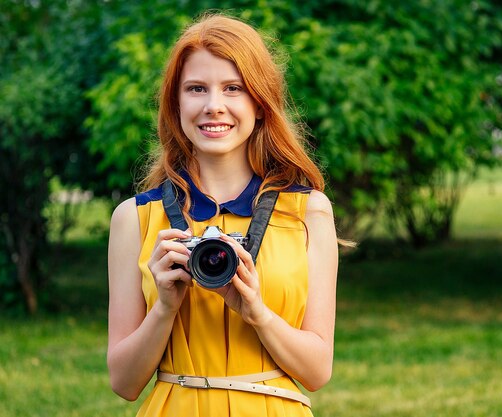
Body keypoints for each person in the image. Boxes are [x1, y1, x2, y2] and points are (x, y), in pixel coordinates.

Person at [106, 13, 338, 417]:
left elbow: (317, 371)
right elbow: (124, 384)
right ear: (175, 103)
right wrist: (164, 307)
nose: (214, 106)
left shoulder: (309, 211)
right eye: (196, 89)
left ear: (260, 103)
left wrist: (257, 313)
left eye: (233, 88)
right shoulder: (134, 218)